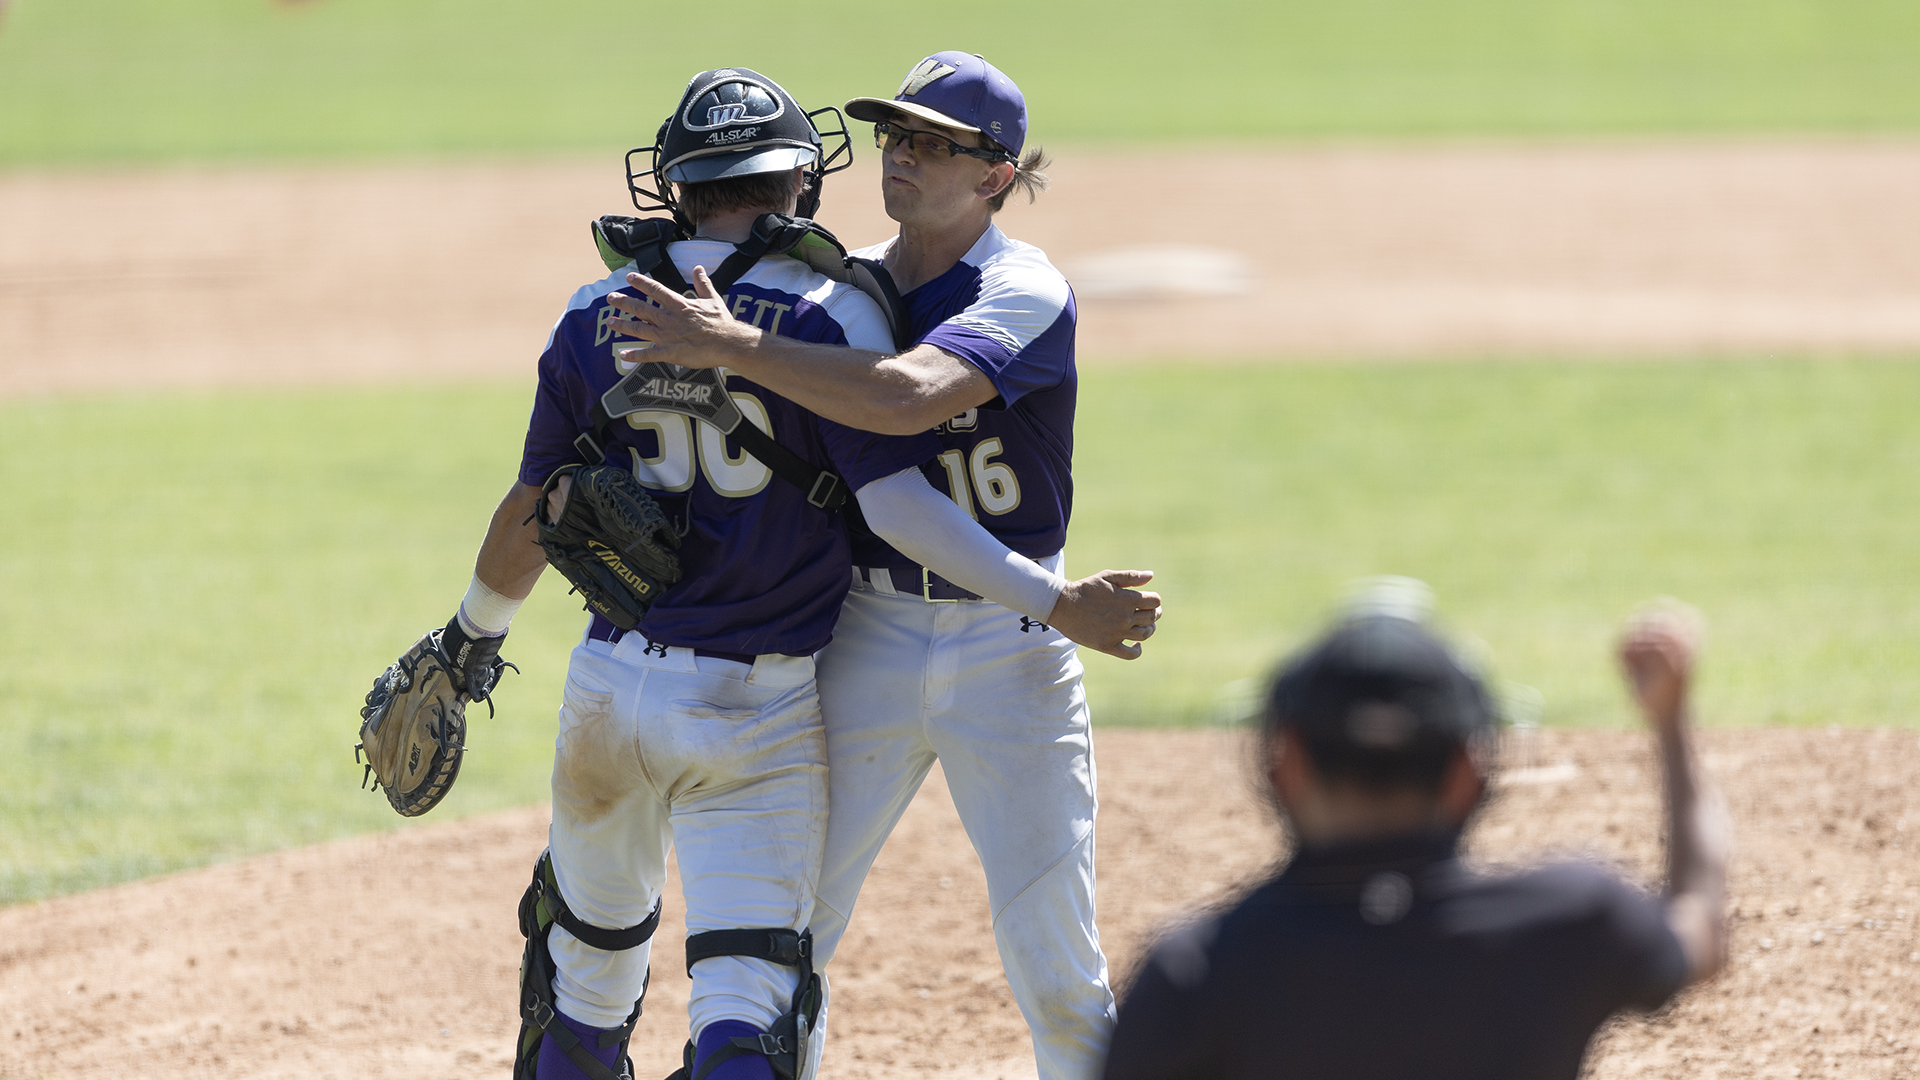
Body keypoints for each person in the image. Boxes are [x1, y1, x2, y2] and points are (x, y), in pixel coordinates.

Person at [603, 51, 1158, 1080]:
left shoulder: (1021, 287)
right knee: (788, 930)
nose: (900, 156)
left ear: (994, 173)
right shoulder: (834, 283)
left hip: (1015, 647)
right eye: (895, 135)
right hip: (867, 631)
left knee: (1056, 958)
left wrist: (733, 344)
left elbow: (907, 396)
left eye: (931, 143)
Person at [447, 66, 989, 1080]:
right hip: (759, 705)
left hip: (609, 691)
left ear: (674, 185)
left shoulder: (591, 312)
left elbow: (532, 512)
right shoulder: (837, 316)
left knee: (582, 992)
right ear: (798, 186)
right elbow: (895, 504)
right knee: (747, 1011)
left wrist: (469, 635)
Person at [1100, 602, 1731, 1080]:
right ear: (1468, 771)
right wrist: (1671, 724)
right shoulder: (1573, 920)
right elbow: (1698, 917)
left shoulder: (1196, 971)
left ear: (1284, 762)